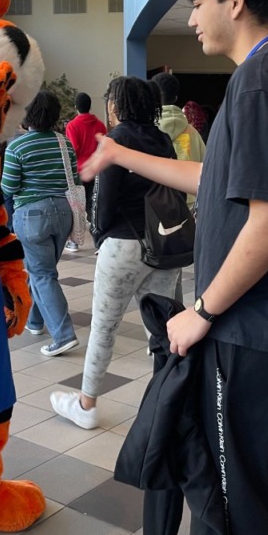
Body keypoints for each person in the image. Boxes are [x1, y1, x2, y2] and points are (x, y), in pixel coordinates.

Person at [79, 0, 268, 535]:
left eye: (198, 2)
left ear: (236, 0)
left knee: (234, 500)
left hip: (259, 326)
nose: (191, 17)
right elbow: (216, 181)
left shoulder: (259, 83)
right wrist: (118, 153)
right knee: (246, 487)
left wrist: (204, 311)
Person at [50, 76, 181, 430]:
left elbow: (103, 203)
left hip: (123, 244)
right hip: (163, 244)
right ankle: (164, 405)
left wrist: (100, 235)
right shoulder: (163, 140)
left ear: (116, 105)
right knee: (163, 330)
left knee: (104, 328)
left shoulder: (115, 140)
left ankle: (86, 404)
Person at [1, 91, 80, 357]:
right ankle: (35, 321)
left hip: (32, 216)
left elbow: (8, 188)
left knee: (42, 274)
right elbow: (75, 178)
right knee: (42, 271)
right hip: (63, 212)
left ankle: (64, 335)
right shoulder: (64, 142)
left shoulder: (18, 146)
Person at [153, 72, 206, 208]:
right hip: (189, 206)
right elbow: (207, 169)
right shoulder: (193, 133)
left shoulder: (147, 131)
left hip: (156, 206)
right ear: (176, 97)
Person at [64, 91, 107, 251]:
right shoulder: (100, 125)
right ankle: (99, 241)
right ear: (90, 106)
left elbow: (73, 149)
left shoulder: (72, 126)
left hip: (79, 172)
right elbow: (104, 147)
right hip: (97, 170)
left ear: (76, 107)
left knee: (76, 206)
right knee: (93, 205)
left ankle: (74, 242)